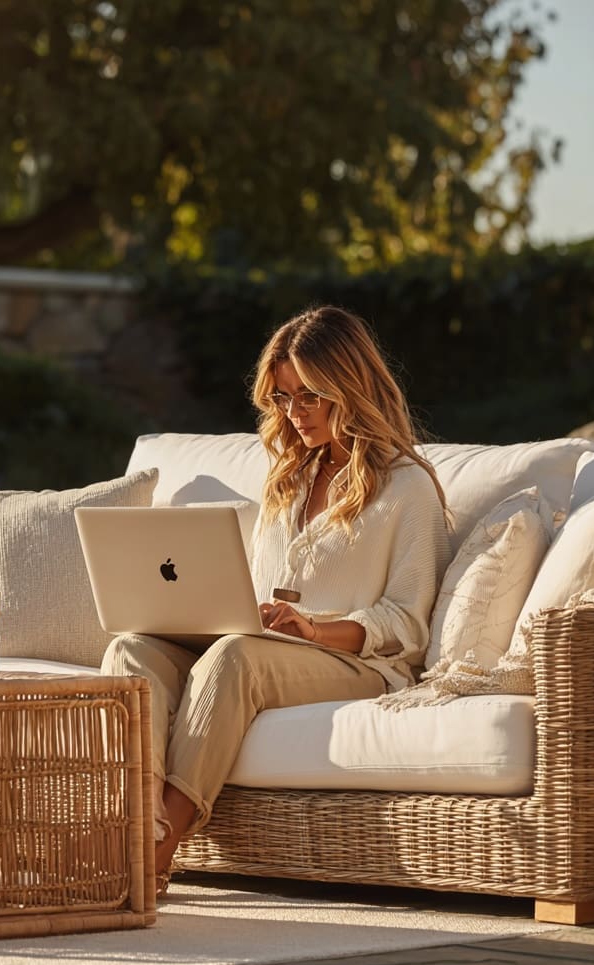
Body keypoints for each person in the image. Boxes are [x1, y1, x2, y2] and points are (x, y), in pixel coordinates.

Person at [101, 305, 450, 895]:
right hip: (269, 644)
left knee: (234, 658)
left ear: (351, 385)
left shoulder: (407, 487)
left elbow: (407, 624)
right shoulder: (289, 476)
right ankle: (132, 821)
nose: (295, 413)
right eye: (285, 398)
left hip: (357, 664)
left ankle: (155, 853)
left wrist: (313, 630)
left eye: (310, 395)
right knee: (132, 650)